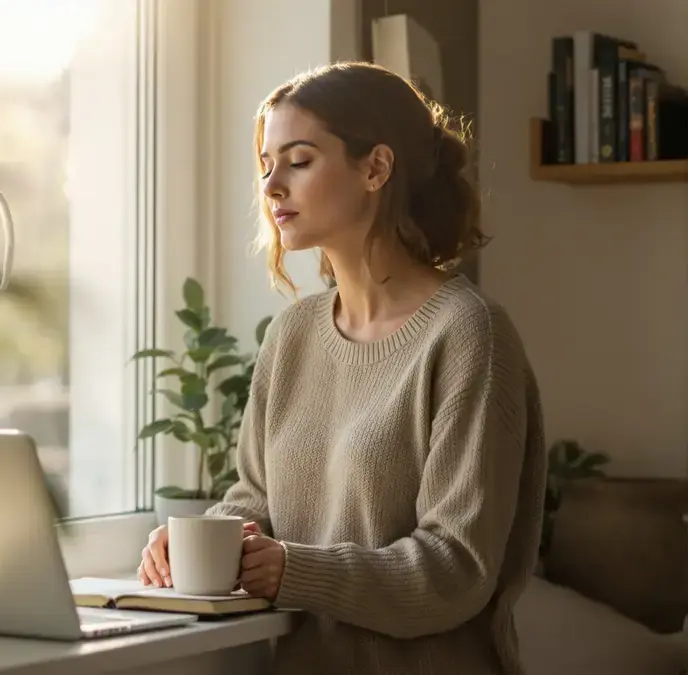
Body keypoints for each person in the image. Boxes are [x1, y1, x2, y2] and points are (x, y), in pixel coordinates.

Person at [137, 62, 546, 674]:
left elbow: (456, 569)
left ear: (376, 168)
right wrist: (197, 540)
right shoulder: (292, 334)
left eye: (298, 161)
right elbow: (255, 503)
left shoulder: (469, 334)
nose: (272, 186)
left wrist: (293, 569)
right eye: (266, 166)